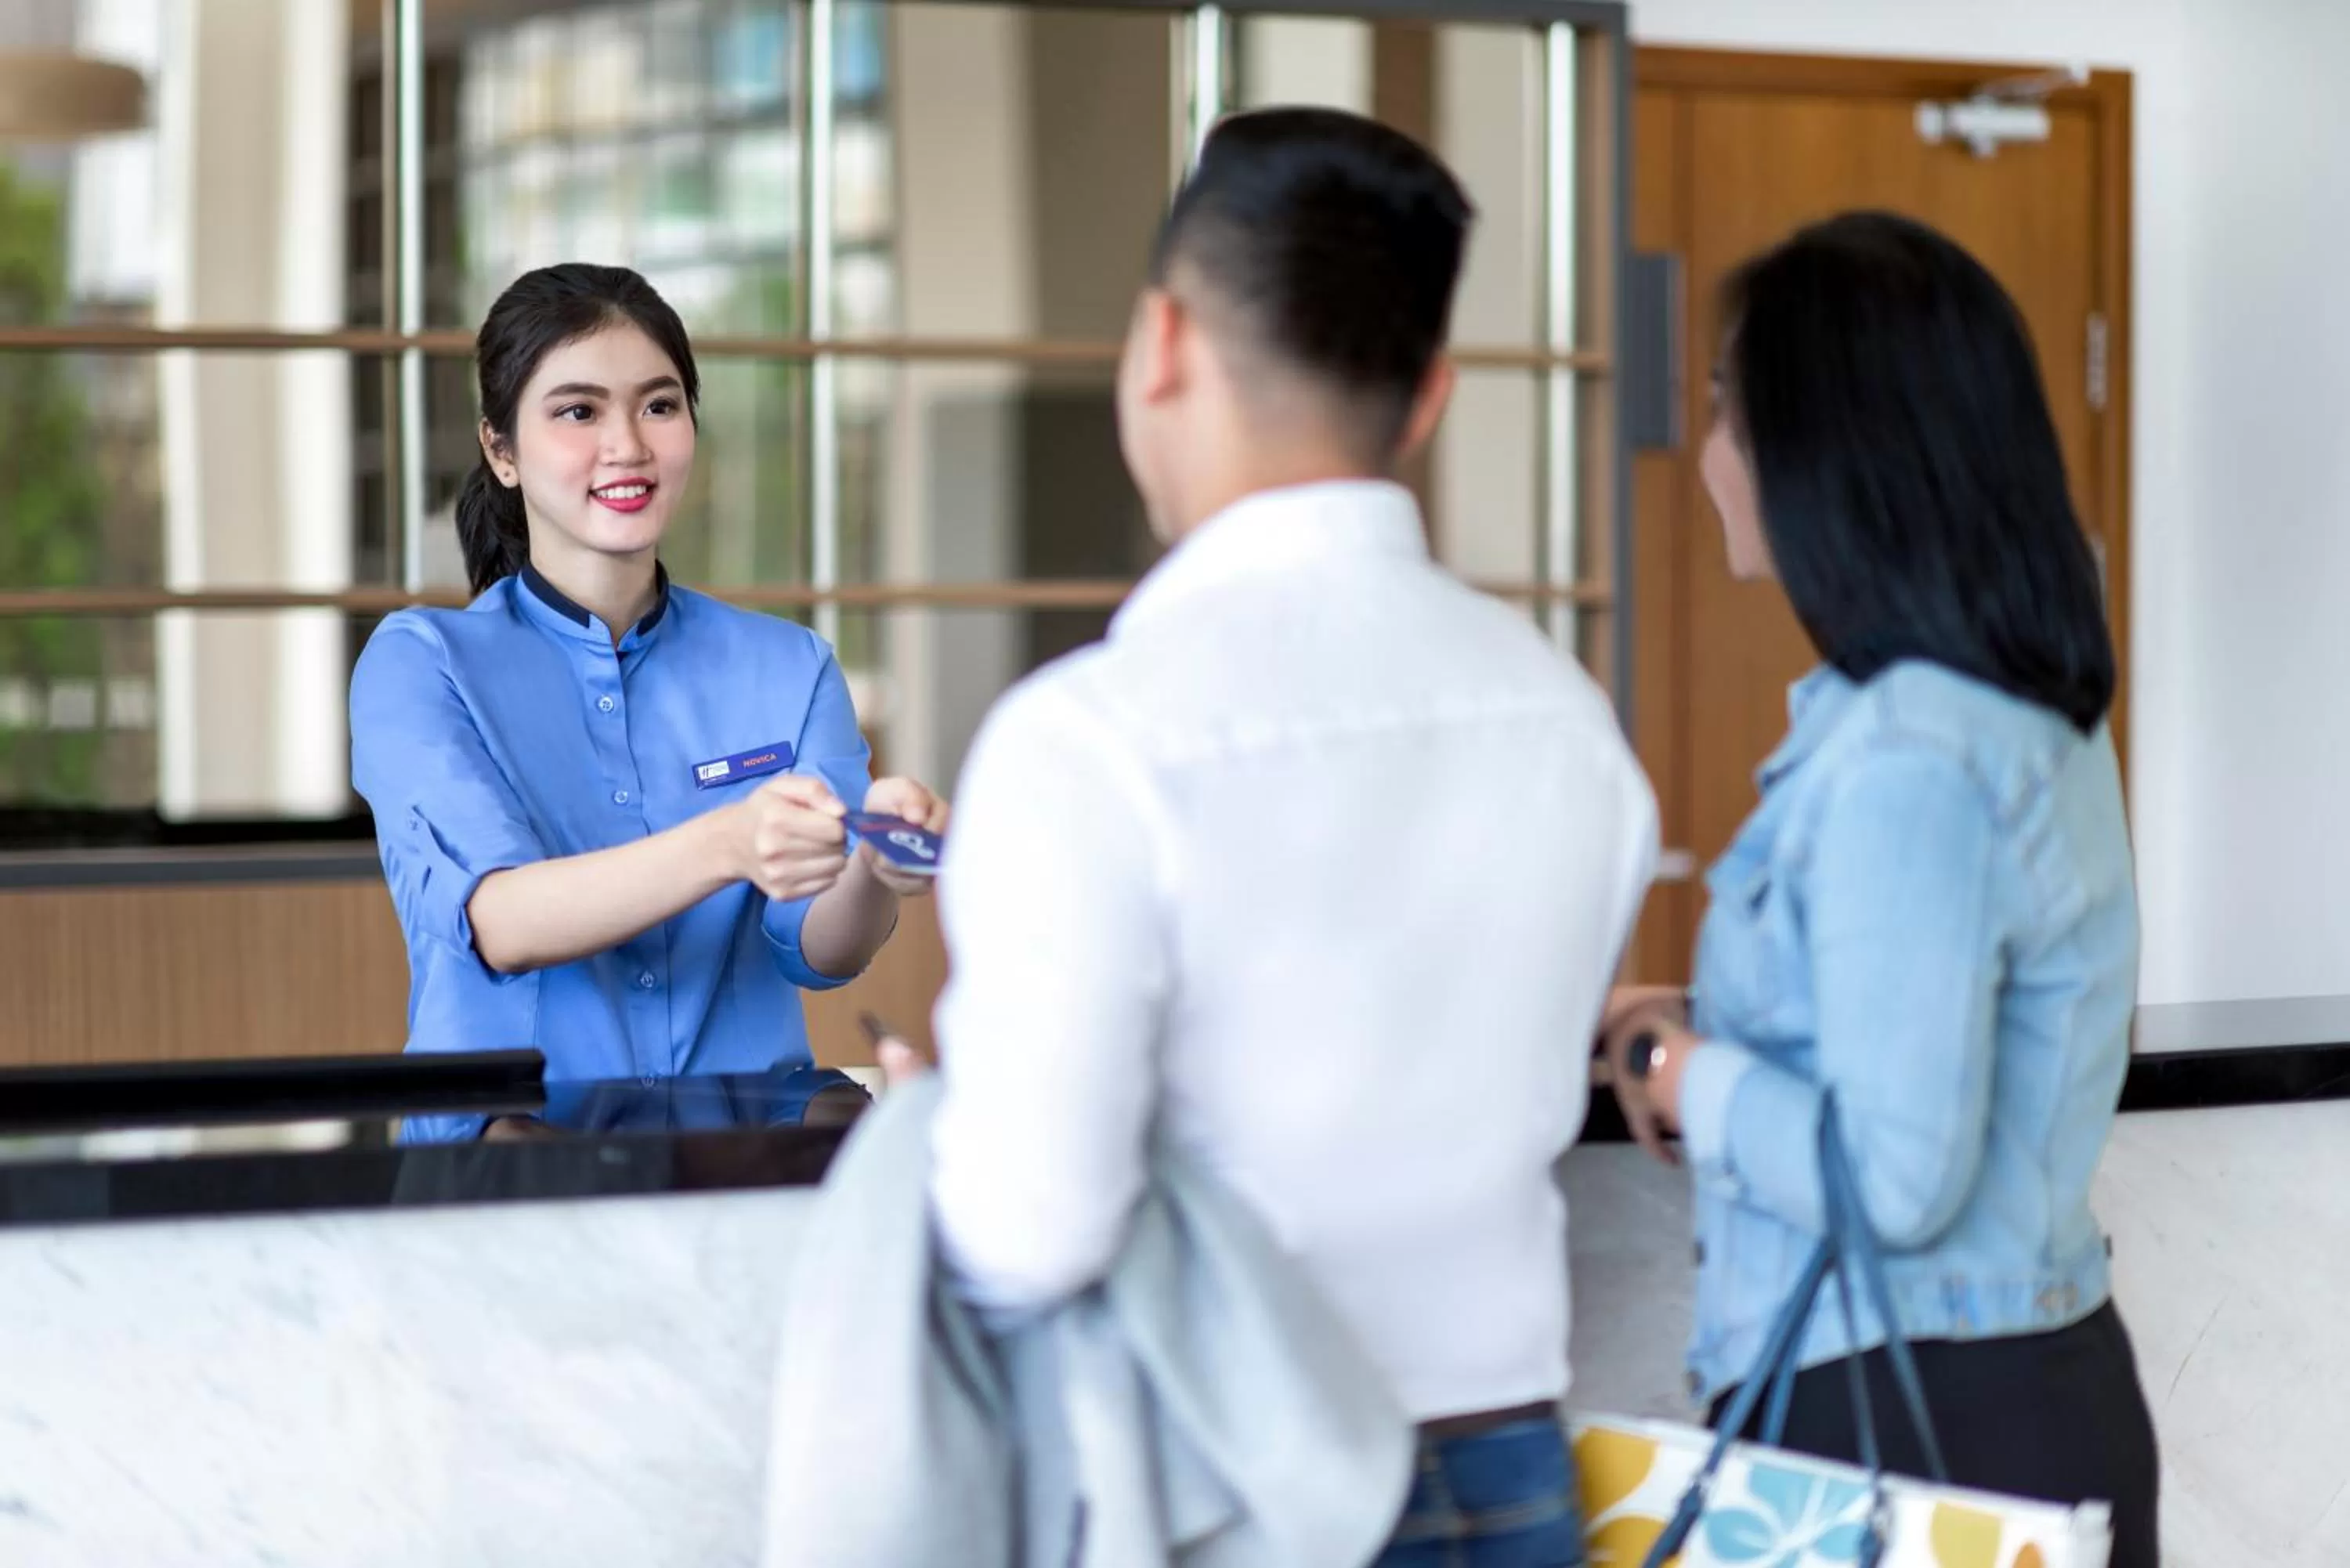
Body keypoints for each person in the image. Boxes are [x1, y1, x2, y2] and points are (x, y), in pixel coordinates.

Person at [888, 109, 1657, 1568]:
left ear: (1161, 344)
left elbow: (1029, 1233)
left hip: (1222, 1484)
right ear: (1429, 395)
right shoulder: (1570, 724)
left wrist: (948, 1118)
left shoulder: (1090, 741)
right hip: (1512, 1478)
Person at [1600, 212, 2158, 1566]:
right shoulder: (2007, 713)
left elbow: (1897, 1176)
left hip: (1918, 1427)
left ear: (1822, 444)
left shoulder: (1912, 751)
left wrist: (1678, 1069)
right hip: (1992, 1399)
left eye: (1729, 406)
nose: (1711, 457)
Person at [350, 263, 945, 1127]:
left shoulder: (789, 665)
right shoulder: (423, 664)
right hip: (509, 1152)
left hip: (745, 1150)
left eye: (659, 405)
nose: (627, 445)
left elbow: (821, 947)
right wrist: (730, 842)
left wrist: (876, 874)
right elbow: (501, 919)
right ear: (501, 450)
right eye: (578, 411)